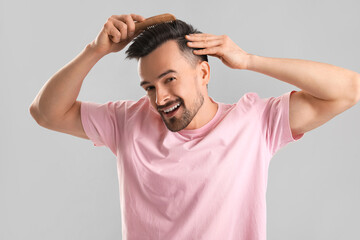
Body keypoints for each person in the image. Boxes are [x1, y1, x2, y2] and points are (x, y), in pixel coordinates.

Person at [29, 13, 360, 240]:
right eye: (149, 87)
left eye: (169, 80)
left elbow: (348, 89)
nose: (159, 98)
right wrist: (95, 50)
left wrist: (249, 61)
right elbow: (46, 113)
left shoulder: (254, 122)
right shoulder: (126, 121)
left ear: (203, 73)